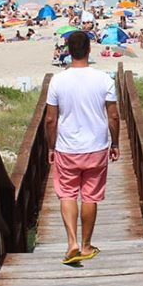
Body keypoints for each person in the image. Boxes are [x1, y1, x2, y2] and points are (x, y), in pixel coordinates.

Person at [44, 32, 120, 265]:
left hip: (67, 147)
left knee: (67, 193)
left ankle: (71, 243)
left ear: (68, 50)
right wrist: (115, 142)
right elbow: (114, 115)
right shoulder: (104, 79)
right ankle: (86, 245)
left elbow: (50, 119)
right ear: (89, 50)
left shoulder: (58, 80)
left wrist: (51, 146)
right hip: (96, 146)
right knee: (90, 196)